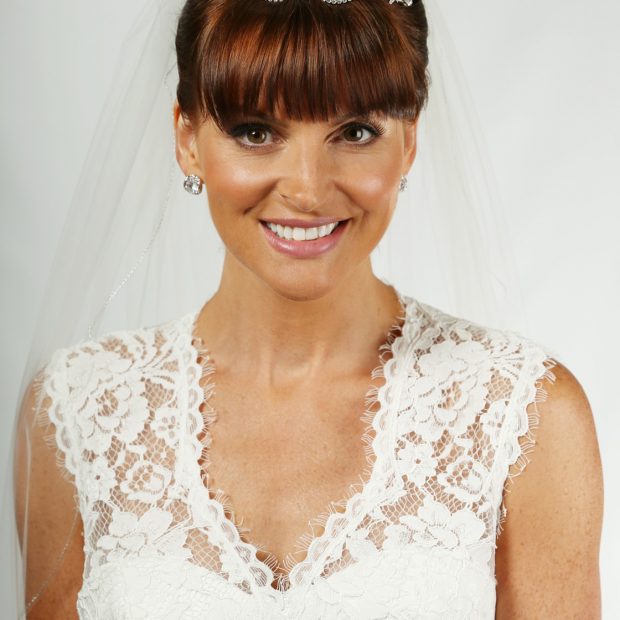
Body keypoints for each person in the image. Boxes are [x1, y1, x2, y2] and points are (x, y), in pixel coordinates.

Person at [5, 0, 603, 618]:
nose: (308, 189)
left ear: (409, 142)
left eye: (355, 133)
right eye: (256, 132)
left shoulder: (524, 415)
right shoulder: (77, 411)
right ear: (186, 140)